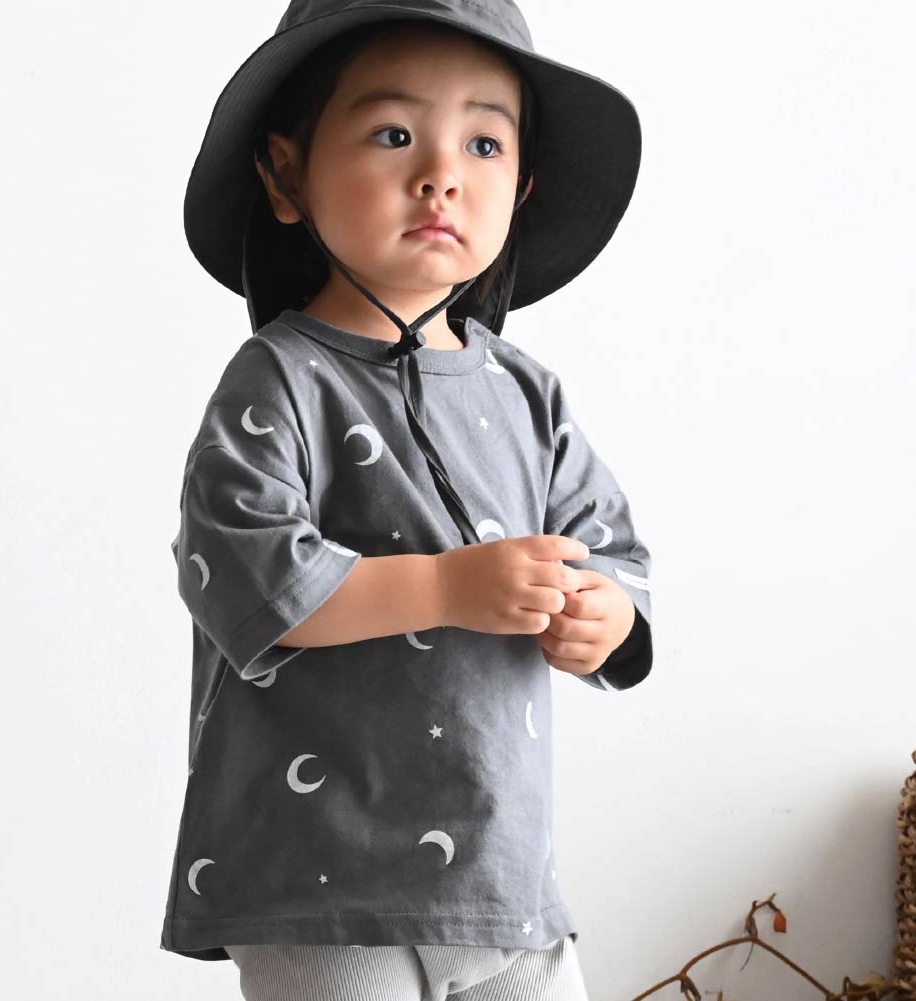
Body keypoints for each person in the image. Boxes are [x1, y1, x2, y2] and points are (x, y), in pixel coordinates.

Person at [159, 1, 654, 998]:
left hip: (502, 881)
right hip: (321, 881)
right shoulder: (279, 381)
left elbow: (608, 551)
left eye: (483, 143)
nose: (441, 173)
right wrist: (443, 587)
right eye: (392, 134)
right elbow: (243, 575)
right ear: (285, 175)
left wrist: (602, 615)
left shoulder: (526, 394)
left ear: (520, 186)